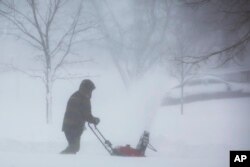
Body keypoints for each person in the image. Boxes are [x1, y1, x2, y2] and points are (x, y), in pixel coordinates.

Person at [61, 79, 100, 154]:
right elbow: (86, 114)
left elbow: (82, 113)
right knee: (74, 147)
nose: (91, 92)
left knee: (73, 147)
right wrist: (94, 120)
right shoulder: (84, 98)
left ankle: (66, 161)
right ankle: (59, 159)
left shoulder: (76, 95)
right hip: (74, 127)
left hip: (68, 126)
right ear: (87, 89)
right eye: (91, 90)